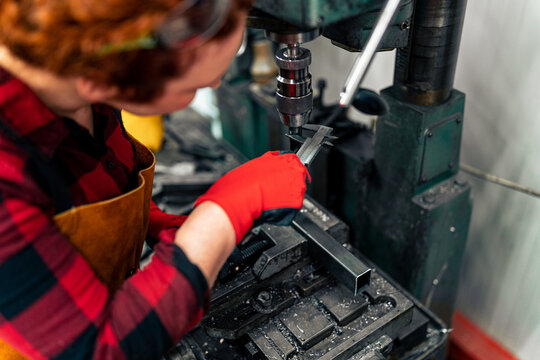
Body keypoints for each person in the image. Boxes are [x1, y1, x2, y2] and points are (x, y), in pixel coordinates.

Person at [0, 0, 310, 359]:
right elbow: (99, 349)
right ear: (99, 79)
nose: (216, 84)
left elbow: (88, 178)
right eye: (192, 88)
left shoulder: (73, 61)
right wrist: (223, 213)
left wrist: (145, 221)